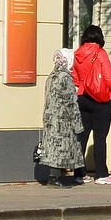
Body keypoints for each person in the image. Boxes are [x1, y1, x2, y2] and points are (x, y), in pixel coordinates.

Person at [71, 24, 111, 185]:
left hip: (83, 97)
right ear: (99, 37)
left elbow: (75, 77)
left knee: (82, 136)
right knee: (100, 137)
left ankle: (79, 173)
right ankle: (101, 173)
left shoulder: (77, 54)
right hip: (101, 99)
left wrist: (83, 88)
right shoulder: (100, 53)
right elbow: (109, 75)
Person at [37, 48, 83, 186]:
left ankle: (54, 176)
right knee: (61, 149)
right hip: (63, 119)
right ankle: (55, 178)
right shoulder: (66, 77)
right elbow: (71, 102)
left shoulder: (51, 76)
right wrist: (77, 123)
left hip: (51, 118)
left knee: (53, 148)